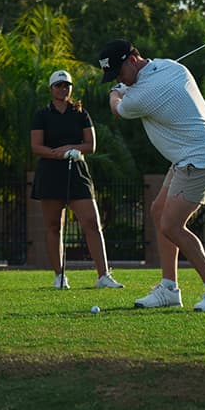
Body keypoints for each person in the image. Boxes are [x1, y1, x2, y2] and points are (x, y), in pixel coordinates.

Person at [100, 38, 205, 313]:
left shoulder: (140, 96)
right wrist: (127, 85)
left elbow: (118, 109)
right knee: (158, 211)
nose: (118, 79)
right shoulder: (174, 67)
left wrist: (115, 92)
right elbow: (144, 83)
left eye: (119, 73)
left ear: (132, 60)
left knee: (172, 226)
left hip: (200, 158)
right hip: (191, 155)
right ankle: (169, 288)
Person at [31, 69, 123, 290]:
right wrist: (58, 153)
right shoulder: (42, 114)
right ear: (51, 89)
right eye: (59, 85)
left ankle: (103, 275)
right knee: (54, 225)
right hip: (50, 172)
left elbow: (91, 145)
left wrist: (72, 148)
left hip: (77, 170)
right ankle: (59, 276)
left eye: (67, 85)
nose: (63, 89)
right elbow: (36, 146)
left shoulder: (80, 113)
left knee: (92, 222)